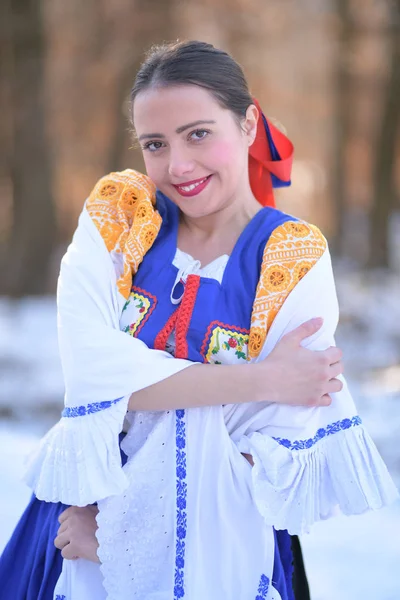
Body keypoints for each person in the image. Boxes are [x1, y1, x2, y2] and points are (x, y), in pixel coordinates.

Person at [0, 40, 397, 600]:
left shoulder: (291, 256)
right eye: (155, 144)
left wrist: (118, 530)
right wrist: (260, 378)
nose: (177, 165)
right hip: (72, 524)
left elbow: (263, 444)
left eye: (199, 133)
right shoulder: (120, 218)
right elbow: (92, 374)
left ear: (249, 125)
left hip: (216, 553)